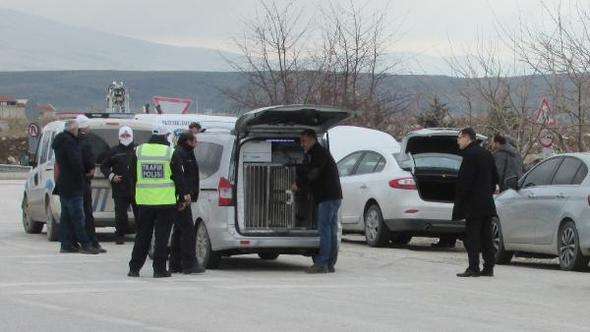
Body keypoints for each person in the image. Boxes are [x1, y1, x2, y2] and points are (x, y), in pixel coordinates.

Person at [128, 125, 188, 278]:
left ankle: (134, 268)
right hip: (165, 202)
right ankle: (159, 269)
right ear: (165, 136)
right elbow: (178, 177)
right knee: (161, 237)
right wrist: (182, 197)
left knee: (142, 235)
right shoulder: (169, 152)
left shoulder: (139, 151)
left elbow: (132, 175)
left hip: (144, 201)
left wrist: (134, 194)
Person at [292, 129, 342, 274]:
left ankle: (322, 263)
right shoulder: (318, 153)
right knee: (331, 230)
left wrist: (299, 184)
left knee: (325, 229)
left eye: (304, 141)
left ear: (313, 139)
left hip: (327, 197)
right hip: (334, 196)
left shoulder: (318, 153)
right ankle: (330, 263)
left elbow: (314, 173)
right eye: (301, 142)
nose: (302, 144)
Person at [453, 128, 499, 277]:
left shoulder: (469, 155)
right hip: (487, 202)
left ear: (467, 138)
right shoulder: (487, 154)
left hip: (473, 204)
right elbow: (495, 178)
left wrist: (460, 201)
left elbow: (464, 182)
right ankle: (488, 267)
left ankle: (473, 267)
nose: (458, 141)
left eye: (459, 138)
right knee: (487, 237)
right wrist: (487, 192)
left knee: (472, 237)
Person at [52, 119, 100, 255]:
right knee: (79, 217)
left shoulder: (60, 142)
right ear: (73, 129)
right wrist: (83, 173)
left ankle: (66, 244)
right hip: (73, 184)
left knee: (66, 217)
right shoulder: (70, 142)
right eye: (77, 129)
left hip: (63, 184)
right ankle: (86, 244)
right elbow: (75, 162)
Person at [169, 132, 205, 274]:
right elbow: (179, 176)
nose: (196, 143)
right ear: (188, 141)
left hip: (184, 196)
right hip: (182, 198)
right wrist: (184, 196)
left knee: (179, 230)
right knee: (188, 230)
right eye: (195, 140)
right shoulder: (180, 154)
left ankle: (175, 263)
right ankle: (189, 264)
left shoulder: (187, 153)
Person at [100, 126, 139, 245]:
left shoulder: (138, 150)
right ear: (119, 137)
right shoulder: (113, 151)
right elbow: (104, 166)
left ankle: (141, 235)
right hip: (120, 187)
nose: (126, 138)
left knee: (140, 213)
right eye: (123, 135)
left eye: (128, 135)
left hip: (137, 188)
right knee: (120, 214)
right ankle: (120, 235)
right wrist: (112, 176)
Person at [76, 115, 106, 253]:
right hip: (83, 181)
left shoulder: (74, 141)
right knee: (86, 214)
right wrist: (91, 170)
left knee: (81, 214)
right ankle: (89, 243)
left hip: (79, 182)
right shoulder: (86, 142)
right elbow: (89, 161)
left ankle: (85, 242)